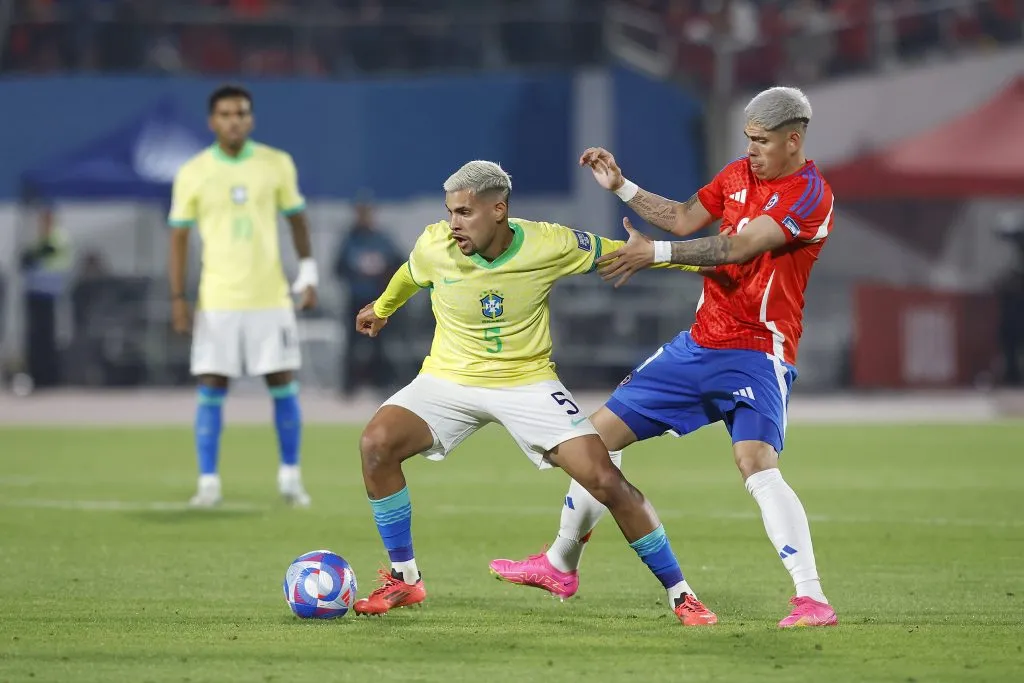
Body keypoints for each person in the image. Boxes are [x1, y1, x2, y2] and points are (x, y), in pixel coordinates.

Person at [490, 86, 839, 628]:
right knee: (591, 441)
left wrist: (652, 254)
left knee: (755, 464)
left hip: (756, 351)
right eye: (748, 139)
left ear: (793, 140)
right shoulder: (737, 175)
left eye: (762, 142)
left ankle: (812, 599)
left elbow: (738, 247)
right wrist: (622, 186)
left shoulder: (810, 194)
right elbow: (680, 218)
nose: (751, 150)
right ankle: (560, 563)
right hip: (698, 344)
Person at [350, 160, 718, 626]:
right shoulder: (434, 244)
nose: (453, 223)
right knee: (376, 443)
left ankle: (682, 595)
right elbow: (411, 272)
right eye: (450, 212)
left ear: (498, 210)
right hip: (448, 378)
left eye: (464, 212)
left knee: (605, 480)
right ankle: (405, 578)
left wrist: (701, 261)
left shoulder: (550, 243)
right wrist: (383, 308)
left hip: (526, 382)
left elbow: (627, 252)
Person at [168, 84, 319, 508]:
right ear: (212, 121)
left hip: (270, 298)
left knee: (283, 384)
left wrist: (308, 274)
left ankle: (290, 478)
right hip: (218, 301)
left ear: (251, 119)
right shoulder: (193, 171)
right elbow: (178, 238)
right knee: (212, 385)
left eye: (241, 113)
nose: (234, 121)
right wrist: (178, 298)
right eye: (226, 114)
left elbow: (297, 220)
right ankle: (208, 483)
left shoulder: (276, 163)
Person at [332, 198, 402, 396]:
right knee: (353, 343)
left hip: (378, 301)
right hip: (356, 299)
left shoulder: (382, 239)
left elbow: (398, 263)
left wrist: (383, 276)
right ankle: (350, 385)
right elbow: (338, 268)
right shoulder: (349, 239)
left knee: (379, 342)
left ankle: (380, 382)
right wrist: (356, 275)